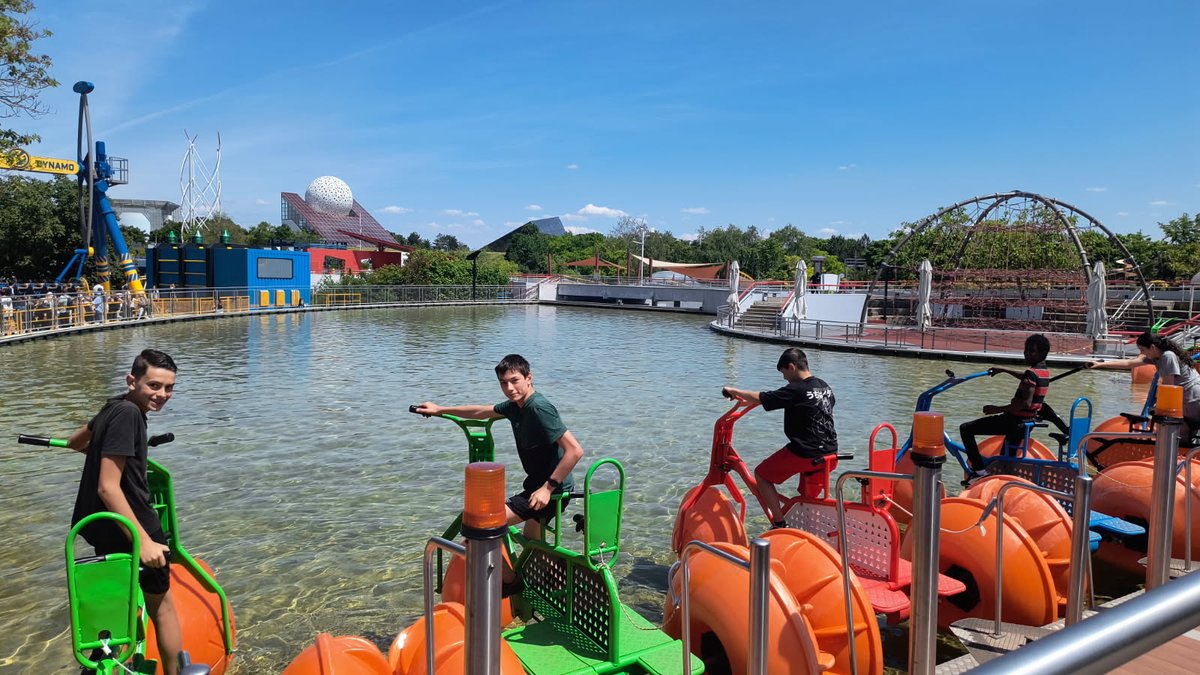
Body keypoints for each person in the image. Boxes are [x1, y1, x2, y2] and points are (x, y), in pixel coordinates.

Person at [415, 354, 585, 591]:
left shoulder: (538, 408)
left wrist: (548, 489)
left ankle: (511, 582)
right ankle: (561, 584)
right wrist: (440, 409)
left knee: (480, 527)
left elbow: (575, 451)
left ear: (529, 377)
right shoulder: (516, 406)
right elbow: (481, 411)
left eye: (515, 381)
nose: (509, 388)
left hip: (551, 489)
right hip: (536, 486)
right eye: (504, 383)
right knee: (532, 540)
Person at [66, 349, 183, 675]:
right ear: (132, 380)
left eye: (169, 387)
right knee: (163, 609)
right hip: (133, 527)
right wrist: (143, 541)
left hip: (103, 530)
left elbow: (75, 442)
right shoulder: (129, 415)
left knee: (118, 601)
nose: (162, 394)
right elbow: (107, 487)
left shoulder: (114, 406)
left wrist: (106, 451)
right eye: (154, 385)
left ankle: (113, 657)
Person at [721, 347, 838, 527]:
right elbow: (804, 404)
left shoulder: (796, 389)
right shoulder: (824, 386)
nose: (784, 378)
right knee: (806, 497)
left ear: (791, 367)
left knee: (762, 475)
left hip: (806, 453)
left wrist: (735, 391)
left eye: (784, 373)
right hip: (831, 452)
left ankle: (779, 522)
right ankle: (809, 524)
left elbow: (764, 397)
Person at [961, 334, 1051, 475]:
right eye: (1025, 350)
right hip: (1026, 422)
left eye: (1031, 351)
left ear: (1042, 353)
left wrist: (996, 409)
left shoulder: (1031, 374)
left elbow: (1025, 403)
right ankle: (1004, 476)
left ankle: (979, 470)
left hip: (1014, 422)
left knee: (966, 429)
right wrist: (1004, 370)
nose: (1026, 353)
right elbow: (1026, 376)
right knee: (1007, 457)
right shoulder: (1043, 372)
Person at [1090, 331, 1200, 443]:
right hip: (1186, 398)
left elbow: (1168, 387)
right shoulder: (1156, 357)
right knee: (1177, 434)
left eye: (1142, 350)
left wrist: (1158, 407)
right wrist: (1101, 364)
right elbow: (1129, 363)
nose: (1141, 353)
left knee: (1176, 436)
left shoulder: (1168, 356)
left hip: (1192, 399)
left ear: (1152, 347)